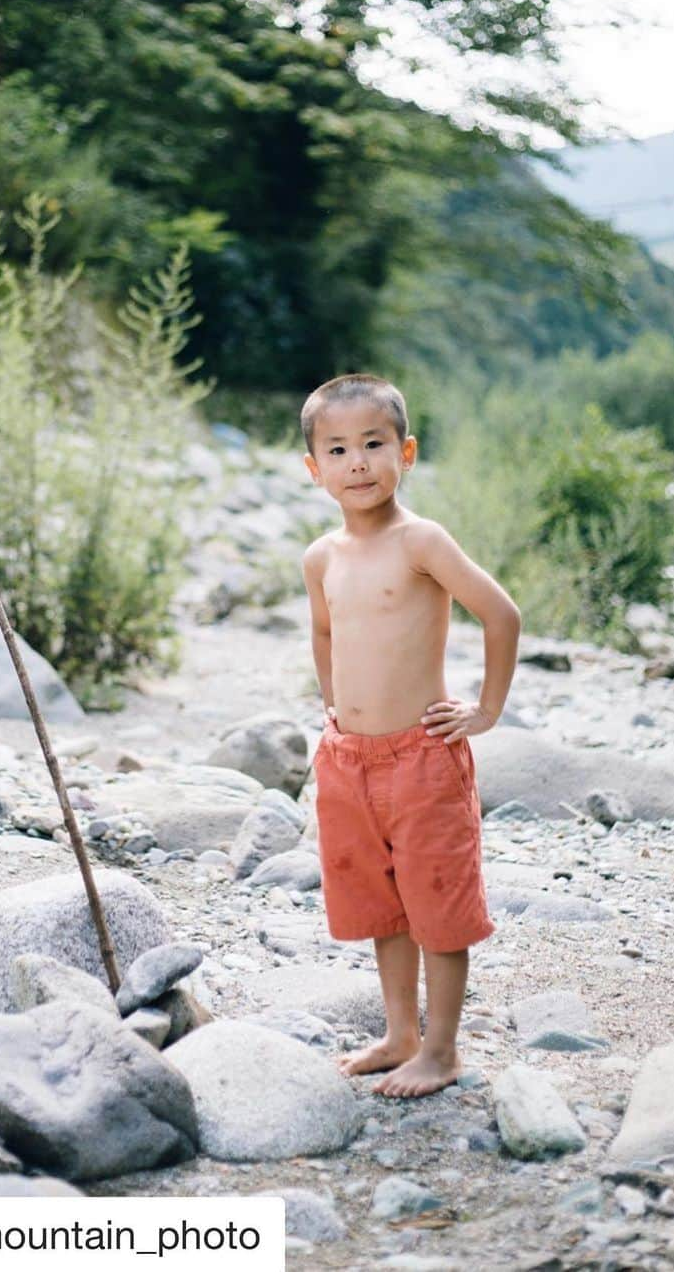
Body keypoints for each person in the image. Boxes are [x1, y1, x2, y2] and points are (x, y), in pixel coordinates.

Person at [300, 373, 520, 1098]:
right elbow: (325, 632)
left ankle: (442, 1049)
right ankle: (399, 1033)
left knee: (438, 905)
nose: (357, 461)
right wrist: (335, 710)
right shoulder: (320, 557)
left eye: (373, 443)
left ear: (408, 452)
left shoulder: (420, 540)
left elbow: (502, 615)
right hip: (349, 760)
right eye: (338, 449)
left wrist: (485, 711)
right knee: (382, 905)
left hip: (421, 760)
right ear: (314, 469)